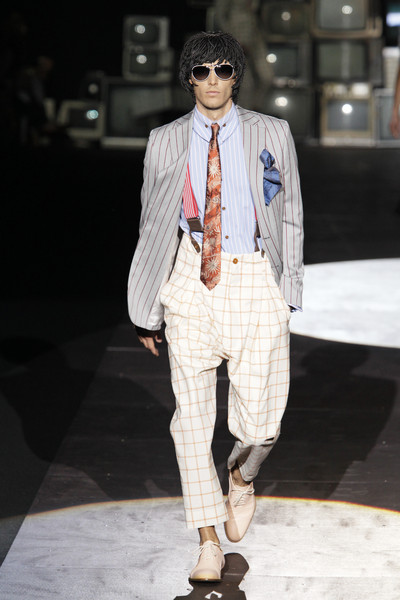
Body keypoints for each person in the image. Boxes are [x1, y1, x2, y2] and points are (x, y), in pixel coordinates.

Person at [127, 31, 304, 582]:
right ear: (188, 78)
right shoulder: (164, 140)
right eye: (201, 71)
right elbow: (153, 224)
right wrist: (144, 306)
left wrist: (289, 289)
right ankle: (207, 542)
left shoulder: (271, 132)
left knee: (262, 424)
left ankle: (242, 476)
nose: (211, 80)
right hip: (190, 277)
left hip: (254, 275)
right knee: (190, 424)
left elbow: (290, 211)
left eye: (222, 70)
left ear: (236, 77)